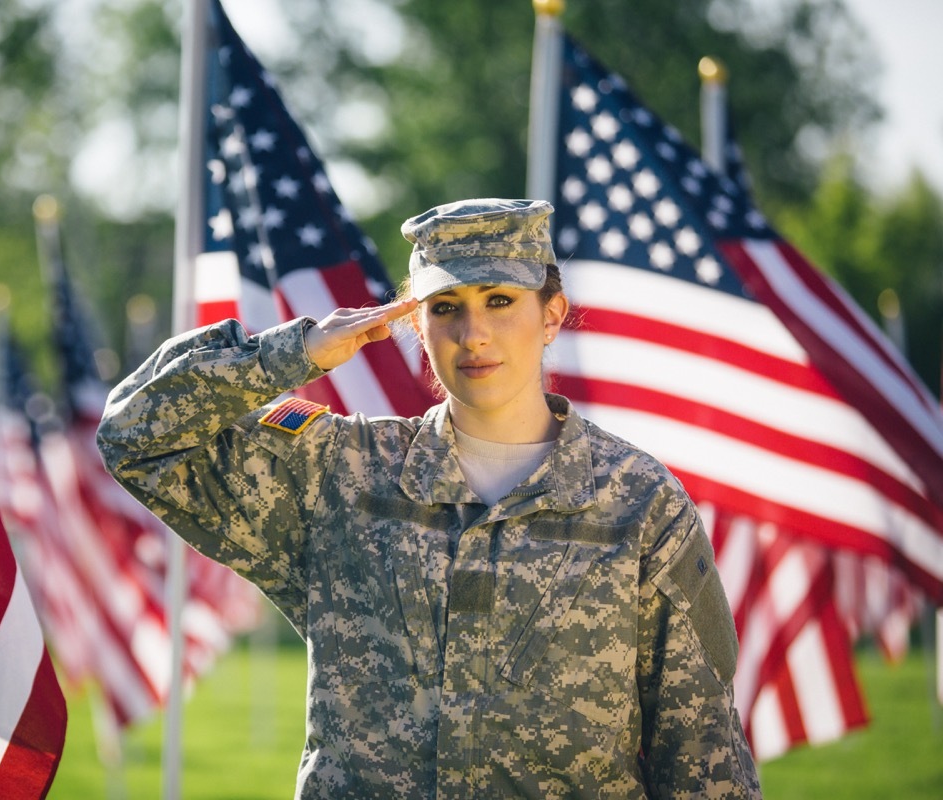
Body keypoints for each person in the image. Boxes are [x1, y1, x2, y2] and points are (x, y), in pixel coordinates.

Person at [98, 198, 762, 798]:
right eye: (446, 308)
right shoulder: (341, 474)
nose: (473, 333)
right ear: (417, 323)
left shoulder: (636, 501)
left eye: (500, 300)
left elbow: (700, 747)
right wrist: (295, 352)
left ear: (551, 315)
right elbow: (135, 434)